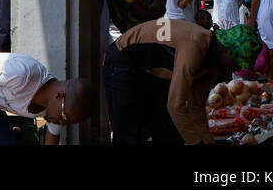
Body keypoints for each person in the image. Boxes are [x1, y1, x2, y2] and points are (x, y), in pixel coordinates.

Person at [104, 20, 260, 144]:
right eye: (238, 61)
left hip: (147, 69)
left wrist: (207, 141)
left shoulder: (214, 64)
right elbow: (175, 105)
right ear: (226, 50)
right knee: (130, 132)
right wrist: (196, 142)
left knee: (167, 131)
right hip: (123, 60)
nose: (238, 68)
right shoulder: (195, 45)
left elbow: (196, 106)